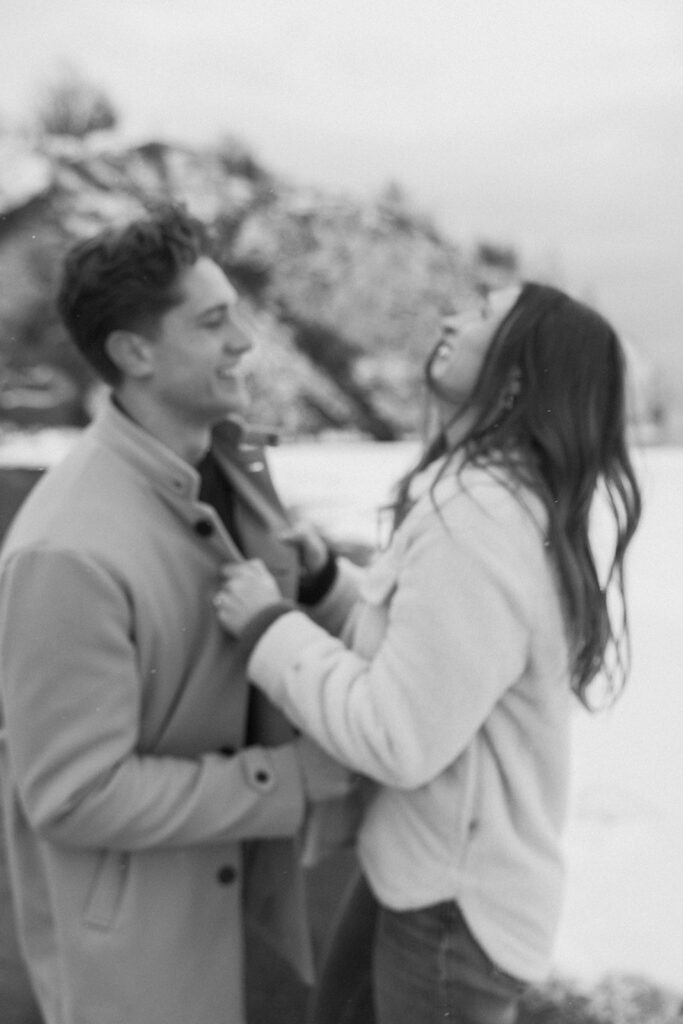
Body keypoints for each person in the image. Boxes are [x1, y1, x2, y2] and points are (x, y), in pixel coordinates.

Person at [213, 282, 643, 1024]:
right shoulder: (483, 495)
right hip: (419, 873)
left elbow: (395, 734)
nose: (449, 316)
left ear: (515, 378)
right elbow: (429, 659)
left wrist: (267, 630)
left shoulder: (479, 520)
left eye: (481, 316)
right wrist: (325, 584)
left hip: (451, 909)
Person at [0, 205, 353, 1024]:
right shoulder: (64, 552)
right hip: (146, 973)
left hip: (263, 923)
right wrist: (285, 782)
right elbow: (74, 794)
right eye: (213, 321)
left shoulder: (240, 466)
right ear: (134, 353)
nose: (246, 341)